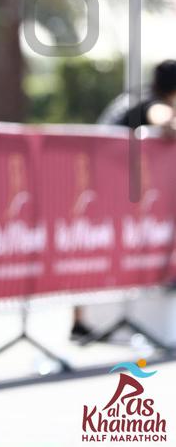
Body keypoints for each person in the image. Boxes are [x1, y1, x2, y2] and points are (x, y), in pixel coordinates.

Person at [70, 59, 176, 342]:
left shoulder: (133, 97)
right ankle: (83, 322)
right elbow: (165, 122)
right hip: (108, 187)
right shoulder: (152, 103)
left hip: (97, 183)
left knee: (92, 250)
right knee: (95, 250)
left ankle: (80, 321)